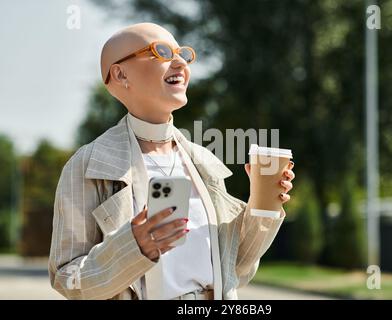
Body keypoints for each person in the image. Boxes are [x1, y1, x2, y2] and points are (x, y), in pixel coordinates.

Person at [48, 22, 295, 300]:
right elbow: (67, 278)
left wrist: (263, 206)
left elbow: (236, 268)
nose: (179, 62)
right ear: (119, 74)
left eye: (183, 54)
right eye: (162, 52)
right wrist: (133, 248)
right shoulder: (89, 165)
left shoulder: (203, 162)